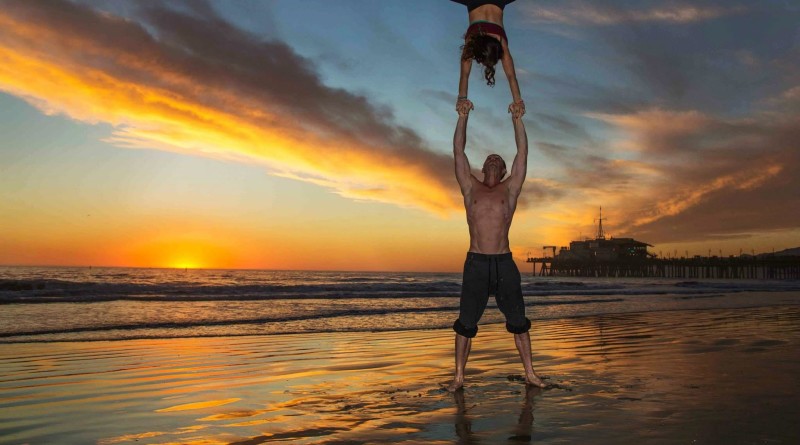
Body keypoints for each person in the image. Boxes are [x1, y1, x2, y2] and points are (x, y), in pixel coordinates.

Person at [446, 97, 544, 392]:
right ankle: (459, 378)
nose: (492, 159)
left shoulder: (510, 189)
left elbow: (523, 152)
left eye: (498, 160)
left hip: (503, 263)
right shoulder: (470, 187)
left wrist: (518, 119)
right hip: (476, 262)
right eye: (489, 158)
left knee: (519, 320)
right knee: (465, 323)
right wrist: (462, 116)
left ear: (503, 171)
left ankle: (530, 373)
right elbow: (457, 151)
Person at [451, 0, 525, 118]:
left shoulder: (500, 41)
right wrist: (462, 99)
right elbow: (464, 74)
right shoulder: (472, 39)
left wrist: (518, 102)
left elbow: (512, 77)